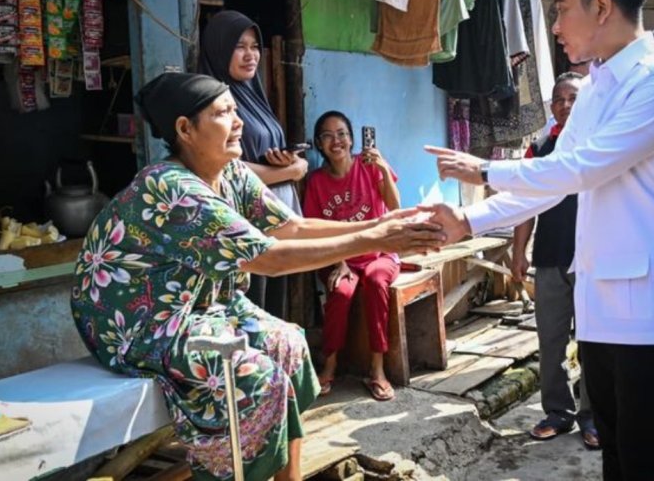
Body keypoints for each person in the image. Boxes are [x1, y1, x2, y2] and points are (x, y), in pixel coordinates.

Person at [422, 0, 654, 480]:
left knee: (649, 464)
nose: (554, 24)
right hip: (603, 302)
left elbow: (582, 170)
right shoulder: (600, 84)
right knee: (617, 461)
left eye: (560, 7)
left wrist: (487, 170)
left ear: (601, 6)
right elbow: (555, 178)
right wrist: (469, 221)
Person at [71, 73, 444, 481]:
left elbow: (291, 228)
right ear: (184, 129)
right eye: (222, 112)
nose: (238, 122)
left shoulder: (231, 173)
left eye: (235, 109)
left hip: (203, 305)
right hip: (144, 323)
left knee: (292, 345)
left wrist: (383, 223)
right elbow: (269, 258)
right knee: (258, 382)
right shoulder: (171, 188)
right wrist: (376, 235)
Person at [509, 73, 599, 450]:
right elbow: (525, 202)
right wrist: (518, 251)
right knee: (550, 340)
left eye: (573, 98)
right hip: (550, 258)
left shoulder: (600, 145)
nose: (565, 105)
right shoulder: (541, 147)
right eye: (558, 99)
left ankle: (594, 416)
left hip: (596, 260)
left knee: (595, 341)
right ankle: (558, 412)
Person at [199, 10, 305, 319]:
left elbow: (262, 154)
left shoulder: (252, 94)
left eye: (255, 46)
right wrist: (291, 171)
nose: (251, 55)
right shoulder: (214, 103)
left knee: (275, 314)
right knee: (253, 314)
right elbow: (224, 169)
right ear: (219, 49)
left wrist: (292, 160)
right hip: (245, 226)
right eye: (239, 46)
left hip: (276, 222)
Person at [302, 111, 401, 401]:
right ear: (319, 144)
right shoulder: (316, 182)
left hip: (379, 252)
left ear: (352, 139)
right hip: (339, 257)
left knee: (375, 281)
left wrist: (383, 169)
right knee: (341, 292)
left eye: (342, 133)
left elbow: (395, 208)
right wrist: (340, 260)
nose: (337, 141)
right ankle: (329, 365)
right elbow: (316, 229)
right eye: (328, 135)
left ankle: (377, 369)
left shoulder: (370, 168)